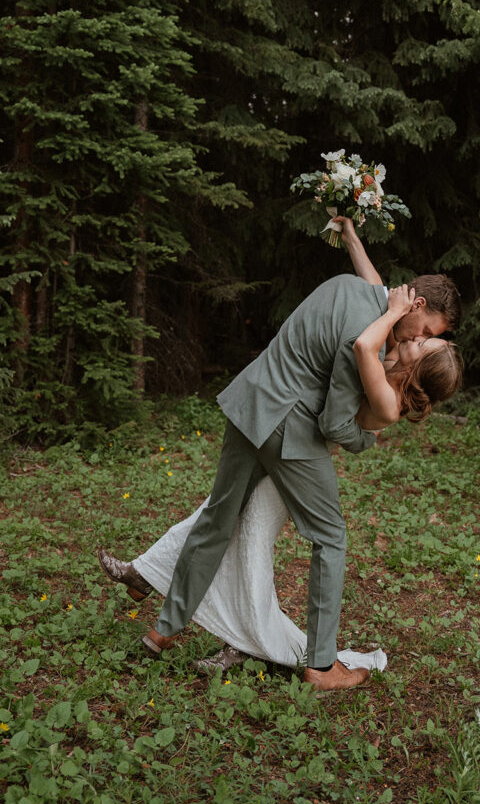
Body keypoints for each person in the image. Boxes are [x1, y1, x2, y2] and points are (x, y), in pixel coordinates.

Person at [99, 222, 461, 690]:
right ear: (414, 305)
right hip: (285, 429)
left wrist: (352, 238)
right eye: (426, 330)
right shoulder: (366, 337)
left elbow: (373, 287)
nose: (416, 339)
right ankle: (322, 664)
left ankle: (162, 632)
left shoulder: (351, 289)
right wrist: (364, 438)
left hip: (249, 402)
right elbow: (332, 424)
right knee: (330, 537)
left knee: (216, 519)